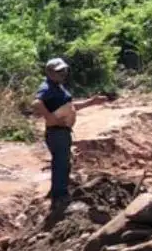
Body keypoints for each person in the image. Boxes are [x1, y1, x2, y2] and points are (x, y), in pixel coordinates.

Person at [33, 58, 110, 205]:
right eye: (59, 71)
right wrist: (50, 118)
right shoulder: (47, 87)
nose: (63, 74)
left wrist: (91, 102)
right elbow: (36, 103)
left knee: (63, 162)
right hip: (57, 132)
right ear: (49, 72)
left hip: (62, 131)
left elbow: (70, 106)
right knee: (61, 162)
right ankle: (59, 196)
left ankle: (58, 192)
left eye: (64, 70)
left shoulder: (58, 87)